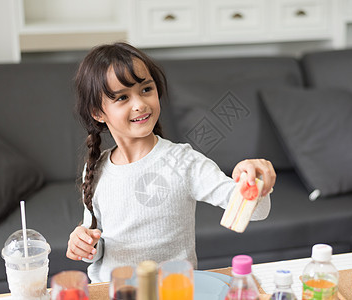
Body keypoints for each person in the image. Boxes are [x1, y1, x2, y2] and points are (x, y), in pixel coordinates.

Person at [66, 42, 276, 283]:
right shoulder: (95, 169)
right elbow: (98, 246)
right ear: (97, 112)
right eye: (123, 97)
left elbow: (257, 211)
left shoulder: (183, 162)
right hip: (113, 291)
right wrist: (84, 245)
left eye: (146, 89)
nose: (140, 104)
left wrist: (255, 177)